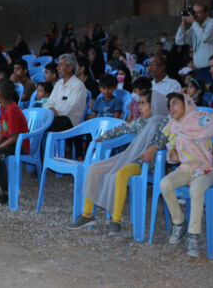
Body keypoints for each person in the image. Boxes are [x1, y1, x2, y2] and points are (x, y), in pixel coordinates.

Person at [68, 90, 170, 234]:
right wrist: (104, 137)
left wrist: (155, 146)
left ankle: (116, 220)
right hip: (131, 158)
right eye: (139, 103)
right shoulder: (141, 122)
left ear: (154, 105)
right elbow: (123, 128)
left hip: (146, 165)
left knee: (121, 173)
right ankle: (87, 214)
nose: (139, 107)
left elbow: (167, 137)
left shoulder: (164, 122)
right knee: (94, 168)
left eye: (143, 103)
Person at [159, 93, 213, 257]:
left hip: (205, 169)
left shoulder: (202, 120)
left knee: (196, 189)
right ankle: (179, 223)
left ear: (186, 104)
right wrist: (172, 154)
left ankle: (194, 235)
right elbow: (171, 147)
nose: (171, 108)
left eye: (175, 103)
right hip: (185, 169)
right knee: (165, 184)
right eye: (169, 105)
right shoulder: (174, 126)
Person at [175, 2, 213, 85]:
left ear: (206, 13)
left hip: (211, 70)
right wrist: (183, 22)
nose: (195, 15)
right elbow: (179, 41)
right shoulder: (196, 27)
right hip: (198, 71)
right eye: (194, 12)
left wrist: (193, 22)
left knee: (210, 96)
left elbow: (204, 38)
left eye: (198, 12)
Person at [43, 54, 88, 132]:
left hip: (69, 124)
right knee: (39, 119)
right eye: (58, 65)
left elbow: (70, 108)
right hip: (56, 119)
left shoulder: (78, 85)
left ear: (70, 68)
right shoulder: (58, 84)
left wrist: (55, 113)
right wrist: (50, 109)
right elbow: (49, 103)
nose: (57, 68)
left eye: (61, 65)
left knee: (44, 123)